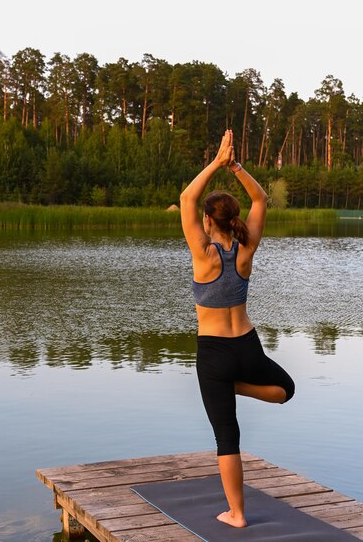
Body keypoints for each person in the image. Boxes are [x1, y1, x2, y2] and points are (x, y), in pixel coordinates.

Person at [180, 129, 295, 528]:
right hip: (247, 347)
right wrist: (237, 167)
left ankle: (237, 514)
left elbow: (186, 198)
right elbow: (260, 200)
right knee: (286, 391)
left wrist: (216, 162)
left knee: (227, 438)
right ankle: (237, 387)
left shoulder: (204, 253)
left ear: (209, 221)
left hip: (213, 354)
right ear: (234, 220)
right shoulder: (245, 250)